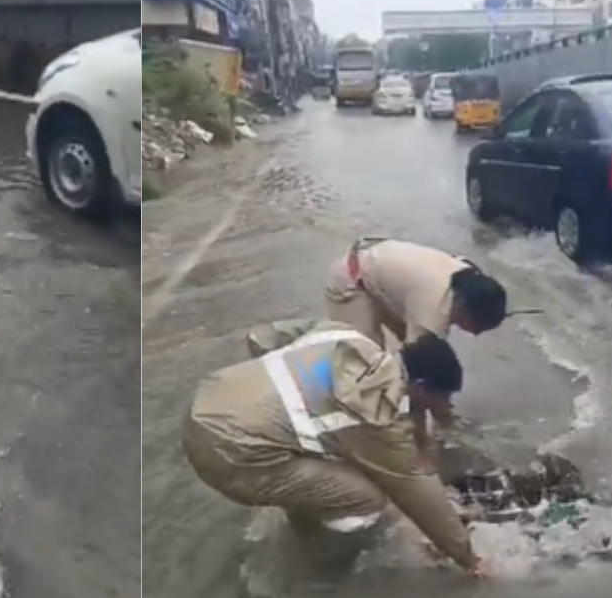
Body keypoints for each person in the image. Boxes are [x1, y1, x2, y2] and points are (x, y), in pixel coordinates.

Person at [183, 319, 490, 578]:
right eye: (444, 397)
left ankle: (301, 514)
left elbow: (262, 338)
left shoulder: (344, 336)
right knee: (368, 497)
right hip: (229, 455)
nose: (446, 405)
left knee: (315, 446)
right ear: (421, 387)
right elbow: (416, 491)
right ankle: (320, 564)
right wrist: (467, 558)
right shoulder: (380, 414)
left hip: (208, 401)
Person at [325, 237, 508, 458]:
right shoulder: (432, 310)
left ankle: (441, 420)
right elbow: (418, 378)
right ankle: (356, 438)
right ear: (461, 308)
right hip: (353, 280)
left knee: (418, 367)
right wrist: (423, 443)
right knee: (367, 370)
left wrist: (443, 413)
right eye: (477, 326)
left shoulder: (467, 279)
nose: (477, 333)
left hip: (389, 279)